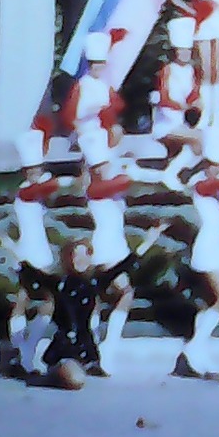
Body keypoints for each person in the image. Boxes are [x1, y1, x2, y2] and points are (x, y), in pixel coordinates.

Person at [19, 229, 167, 391]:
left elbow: (125, 266)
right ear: (68, 258)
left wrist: (148, 242)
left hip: (84, 348)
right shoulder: (58, 283)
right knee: (75, 380)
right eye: (75, 255)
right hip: (64, 349)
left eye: (85, 255)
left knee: (79, 376)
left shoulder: (95, 282)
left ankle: (68, 371)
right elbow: (30, 270)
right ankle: (50, 376)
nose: (80, 260)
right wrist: (10, 246)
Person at [179, 125, 219, 378]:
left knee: (211, 301)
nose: (216, 168)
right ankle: (193, 347)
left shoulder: (217, 183)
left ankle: (198, 350)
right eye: (212, 164)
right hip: (207, 247)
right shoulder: (200, 184)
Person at [79, 128, 137, 376]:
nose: (104, 168)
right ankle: (108, 346)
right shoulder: (95, 190)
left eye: (105, 165)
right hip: (105, 248)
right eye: (99, 166)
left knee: (100, 299)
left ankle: (94, 349)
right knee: (123, 293)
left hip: (115, 246)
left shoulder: (106, 188)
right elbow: (124, 181)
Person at [5, 124, 61, 376]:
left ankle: (28, 350)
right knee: (22, 300)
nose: (36, 173)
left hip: (42, 252)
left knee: (48, 302)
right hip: (26, 252)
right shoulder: (24, 192)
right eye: (31, 169)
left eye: (38, 169)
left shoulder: (38, 193)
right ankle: (21, 351)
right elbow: (45, 189)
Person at [149, 16, 203, 190]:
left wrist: (196, 102)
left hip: (182, 120)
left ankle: (180, 173)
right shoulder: (167, 70)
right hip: (166, 122)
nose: (184, 54)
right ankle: (171, 174)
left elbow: (193, 93)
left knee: (202, 139)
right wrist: (184, 107)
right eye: (181, 51)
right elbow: (165, 98)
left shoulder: (190, 71)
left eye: (187, 51)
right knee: (198, 141)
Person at [63, 31, 126, 151]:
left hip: (103, 126)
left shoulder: (105, 84)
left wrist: (107, 109)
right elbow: (70, 114)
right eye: (94, 63)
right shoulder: (82, 84)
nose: (97, 67)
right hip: (85, 126)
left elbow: (117, 104)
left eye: (100, 63)